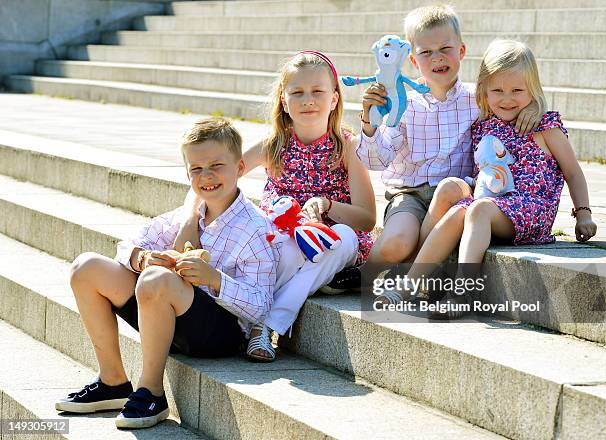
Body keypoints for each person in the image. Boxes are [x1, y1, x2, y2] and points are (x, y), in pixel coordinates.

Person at [55, 117, 279, 428]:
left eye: (217, 165)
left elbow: (262, 306)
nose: (207, 176)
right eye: (197, 169)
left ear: (240, 168)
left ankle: (152, 392)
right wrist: (143, 257)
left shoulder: (255, 229)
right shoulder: (186, 215)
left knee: (156, 280)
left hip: (221, 333)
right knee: (86, 267)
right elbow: (127, 246)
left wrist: (215, 280)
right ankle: (113, 381)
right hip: (170, 316)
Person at [175, 51, 376, 362]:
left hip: (332, 236)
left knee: (340, 240)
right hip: (282, 239)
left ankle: (266, 324)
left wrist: (326, 204)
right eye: (297, 92)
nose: (308, 100)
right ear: (284, 101)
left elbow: (366, 219)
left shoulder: (347, 146)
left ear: (335, 99)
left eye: (317, 91)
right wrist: (190, 220)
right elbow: (213, 175)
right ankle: (285, 299)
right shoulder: (275, 144)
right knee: (281, 247)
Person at [380, 39, 597, 317]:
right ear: (484, 89)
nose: (507, 99)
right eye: (498, 90)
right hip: (493, 204)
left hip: (531, 210)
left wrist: (584, 214)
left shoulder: (545, 125)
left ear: (533, 88)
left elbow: (573, 172)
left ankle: (463, 293)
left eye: (518, 90)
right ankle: (410, 284)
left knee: (478, 208)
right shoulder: (484, 124)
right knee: (460, 210)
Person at [358, 5, 540, 267]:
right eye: (426, 52)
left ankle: (412, 274)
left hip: (457, 194)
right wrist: (369, 122)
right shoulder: (403, 105)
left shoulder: (478, 99)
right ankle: (363, 275)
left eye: (445, 49)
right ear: (412, 60)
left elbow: (512, 99)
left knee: (448, 198)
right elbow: (377, 161)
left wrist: (533, 106)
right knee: (397, 242)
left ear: (461, 51)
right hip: (409, 194)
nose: (437, 58)